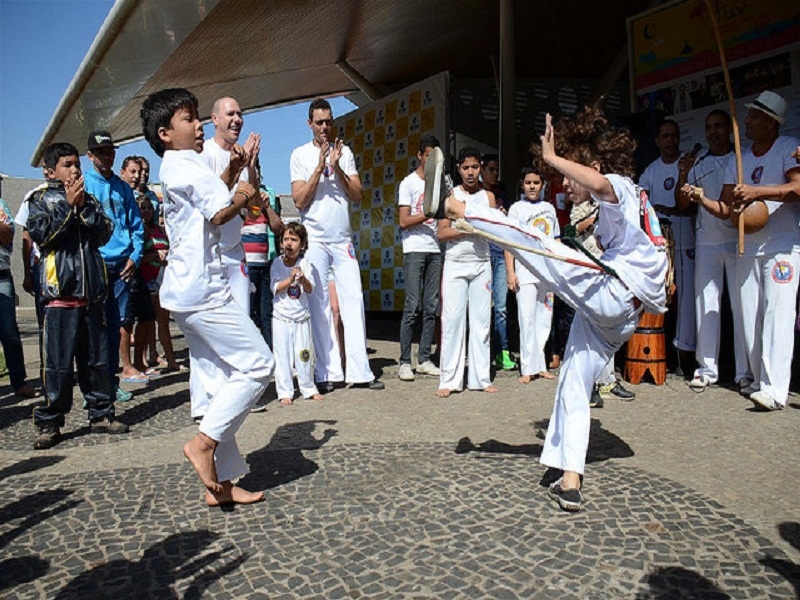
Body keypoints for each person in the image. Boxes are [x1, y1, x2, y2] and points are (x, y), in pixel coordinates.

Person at [437, 108, 668, 511]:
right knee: (573, 384)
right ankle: (570, 478)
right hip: (619, 316)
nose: (564, 184)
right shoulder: (635, 202)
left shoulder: (618, 186)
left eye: (568, 174)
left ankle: (460, 210)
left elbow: (597, 183)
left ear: (591, 165)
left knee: (537, 243)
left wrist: (552, 157)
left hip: (614, 294)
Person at [141, 87, 274, 506]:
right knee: (258, 364)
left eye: (197, 116)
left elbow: (206, 202)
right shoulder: (188, 163)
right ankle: (203, 443)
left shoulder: (176, 167)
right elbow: (219, 212)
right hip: (202, 291)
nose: (196, 125)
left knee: (217, 381)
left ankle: (221, 484)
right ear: (165, 133)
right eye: (187, 119)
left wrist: (233, 178)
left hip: (186, 290)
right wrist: (246, 193)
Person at [26, 142, 129, 449]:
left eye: (76, 164)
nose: (74, 169)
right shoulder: (40, 200)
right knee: (57, 365)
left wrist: (81, 206)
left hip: (92, 294)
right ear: (50, 170)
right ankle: (50, 422)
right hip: (61, 295)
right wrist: (68, 208)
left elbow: (104, 234)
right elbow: (43, 237)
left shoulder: (90, 200)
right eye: (67, 164)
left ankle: (100, 413)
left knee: (97, 361)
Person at [290, 97, 384, 391]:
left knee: (353, 300)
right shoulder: (299, 155)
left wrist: (337, 167)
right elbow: (299, 199)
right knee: (320, 304)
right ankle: (328, 373)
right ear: (309, 124)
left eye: (328, 121)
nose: (325, 127)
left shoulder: (345, 153)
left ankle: (359, 371)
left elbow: (358, 194)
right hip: (315, 237)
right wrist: (319, 168)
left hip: (342, 238)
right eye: (319, 122)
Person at [717, 90, 800, 410]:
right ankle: (753, 376)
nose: (747, 122)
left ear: (771, 122)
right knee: (748, 313)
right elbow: (727, 202)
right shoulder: (740, 156)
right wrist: (731, 201)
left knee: (778, 312)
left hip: (782, 246)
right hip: (747, 244)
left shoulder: (787, 148)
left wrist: (758, 192)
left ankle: (775, 388)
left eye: (754, 117)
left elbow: (797, 189)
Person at [676, 109, 748, 391]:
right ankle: (706, 368)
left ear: (730, 130)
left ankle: (744, 371)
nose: (714, 131)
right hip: (706, 242)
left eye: (719, 126)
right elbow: (683, 205)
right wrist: (683, 176)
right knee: (706, 304)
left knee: (742, 307)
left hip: (737, 240)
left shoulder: (740, 157)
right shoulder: (700, 160)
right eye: (709, 127)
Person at [83, 131, 151, 402]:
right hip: (96, 264)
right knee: (93, 329)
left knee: (118, 326)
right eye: (101, 152)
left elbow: (136, 225)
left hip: (123, 265)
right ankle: (93, 386)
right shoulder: (85, 183)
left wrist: (134, 257)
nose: (107, 156)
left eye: (110, 151)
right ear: (90, 156)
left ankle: (111, 382)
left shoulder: (123, 188)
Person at [436, 147, 497, 398]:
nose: (470, 172)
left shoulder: (489, 197)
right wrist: (468, 230)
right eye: (465, 168)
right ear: (459, 169)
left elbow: (495, 230)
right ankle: (449, 379)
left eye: (474, 167)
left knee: (481, 322)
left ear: (480, 167)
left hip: (482, 263)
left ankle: (480, 378)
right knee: (452, 322)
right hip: (456, 263)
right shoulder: (451, 196)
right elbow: (442, 233)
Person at [639, 119, 696, 374]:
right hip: (660, 246)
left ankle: (685, 354)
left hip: (687, 240)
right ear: (657, 141)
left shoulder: (690, 164)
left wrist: (673, 209)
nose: (670, 140)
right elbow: (642, 206)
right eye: (665, 136)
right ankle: (659, 353)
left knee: (687, 299)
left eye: (674, 135)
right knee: (661, 297)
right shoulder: (650, 171)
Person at [396, 134, 443, 381]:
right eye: (428, 156)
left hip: (436, 249)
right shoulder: (409, 183)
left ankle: (424, 359)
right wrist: (427, 214)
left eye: (436, 156)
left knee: (431, 307)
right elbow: (403, 220)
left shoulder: (441, 183)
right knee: (412, 305)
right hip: (414, 248)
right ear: (420, 155)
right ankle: (405, 361)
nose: (432, 160)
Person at [506, 166, 557, 384]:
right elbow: (509, 241)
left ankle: (541, 365)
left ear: (542, 185)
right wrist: (510, 271)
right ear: (522, 185)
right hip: (525, 271)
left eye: (536, 182)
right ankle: (527, 367)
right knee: (526, 319)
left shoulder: (549, 208)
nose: (532, 186)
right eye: (528, 182)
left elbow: (556, 241)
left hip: (546, 272)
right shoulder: (516, 209)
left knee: (544, 321)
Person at [270, 222, 323, 405]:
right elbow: (275, 288)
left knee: (304, 355)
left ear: (302, 244)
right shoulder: (277, 263)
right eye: (286, 239)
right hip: (281, 318)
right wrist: (290, 279)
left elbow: (310, 289)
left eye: (294, 240)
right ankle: (285, 391)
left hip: (301, 318)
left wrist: (302, 279)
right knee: (282, 355)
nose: (289, 244)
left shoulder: (306, 264)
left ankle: (308, 387)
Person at [135, 193, 183, 372]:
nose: (146, 211)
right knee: (146, 322)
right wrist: (155, 256)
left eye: (149, 207)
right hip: (145, 280)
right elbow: (137, 257)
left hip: (162, 279)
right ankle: (144, 359)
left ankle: (171, 359)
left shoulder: (159, 230)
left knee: (163, 321)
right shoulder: (138, 231)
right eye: (142, 208)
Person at [242, 161, 283, 349]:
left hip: (265, 263)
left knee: (266, 312)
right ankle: (250, 352)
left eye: (255, 172)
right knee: (248, 312)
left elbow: (278, 228)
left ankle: (270, 352)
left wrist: (267, 207)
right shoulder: (239, 200)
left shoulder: (267, 198)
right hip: (246, 265)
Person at [482, 153, 517, 371]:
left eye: (497, 170)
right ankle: (483, 351)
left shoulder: (503, 196)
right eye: (491, 169)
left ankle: (503, 351)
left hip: (501, 255)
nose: (495, 174)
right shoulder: (475, 195)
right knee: (483, 308)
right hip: (483, 255)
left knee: (502, 308)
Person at [0, 197, 36, 399]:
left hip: (1, 274)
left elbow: (7, 234)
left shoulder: (1, 206)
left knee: (9, 332)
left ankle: (18, 381)